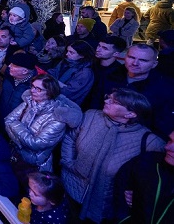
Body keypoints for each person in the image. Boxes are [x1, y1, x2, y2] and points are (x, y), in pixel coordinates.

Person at [61, 89, 165, 223]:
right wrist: (68, 161)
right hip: (71, 187)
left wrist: (139, 192)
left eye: (114, 102)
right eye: (108, 97)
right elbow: (70, 137)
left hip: (105, 203)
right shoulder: (91, 115)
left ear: (130, 114)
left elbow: (162, 171)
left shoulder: (148, 140)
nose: (106, 101)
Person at [5, 75, 81, 176]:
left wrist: (15, 127)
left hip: (33, 165)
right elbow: (7, 120)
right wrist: (20, 141)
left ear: (49, 93)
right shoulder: (29, 102)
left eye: (38, 89)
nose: (32, 91)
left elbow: (36, 144)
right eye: (32, 86)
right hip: (15, 153)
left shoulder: (58, 117)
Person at [113, 130, 174, 224]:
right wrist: (124, 219)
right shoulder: (148, 161)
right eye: (170, 140)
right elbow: (121, 185)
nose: (167, 147)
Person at [47, 40, 95, 105]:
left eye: (71, 52)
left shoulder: (85, 73)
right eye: (67, 51)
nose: (67, 54)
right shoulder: (65, 62)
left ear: (82, 55)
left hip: (66, 104)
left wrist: (53, 82)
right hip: (53, 94)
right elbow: (54, 72)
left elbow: (69, 92)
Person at [86, 36, 126, 110]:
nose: (98, 50)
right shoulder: (91, 64)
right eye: (99, 46)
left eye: (105, 48)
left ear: (116, 54)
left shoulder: (117, 73)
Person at [0, 52, 38, 121]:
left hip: (15, 122)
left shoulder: (34, 87)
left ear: (24, 71)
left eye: (14, 65)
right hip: (0, 116)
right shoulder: (8, 75)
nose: (9, 66)